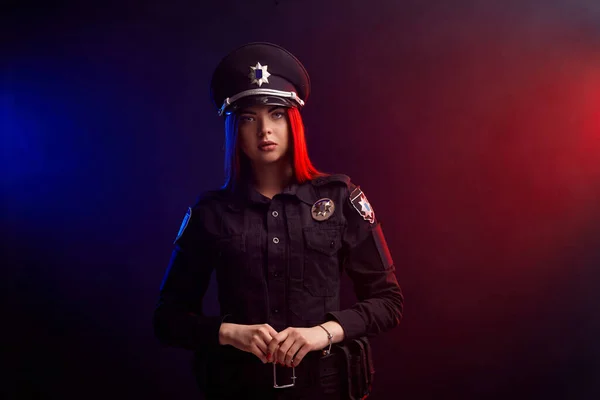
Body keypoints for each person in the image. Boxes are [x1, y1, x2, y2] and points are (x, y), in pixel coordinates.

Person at [153, 42, 404, 399]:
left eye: (276, 113)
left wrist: (324, 332)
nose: (264, 130)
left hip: (326, 390)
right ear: (234, 130)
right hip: (240, 389)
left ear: (294, 121)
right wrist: (228, 332)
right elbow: (167, 319)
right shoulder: (211, 214)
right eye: (249, 118)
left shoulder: (340, 198)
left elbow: (388, 301)